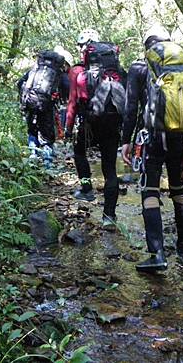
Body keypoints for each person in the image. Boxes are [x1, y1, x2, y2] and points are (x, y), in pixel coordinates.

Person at [122, 25, 183, 272]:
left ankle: (157, 254)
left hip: (151, 139)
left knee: (149, 191)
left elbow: (131, 107)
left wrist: (126, 140)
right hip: (180, 137)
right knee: (179, 189)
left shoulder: (139, 67)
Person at [65, 28, 125, 229]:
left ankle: (87, 189)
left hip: (90, 124)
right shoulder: (116, 73)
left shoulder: (78, 73)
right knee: (109, 168)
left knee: (79, 152)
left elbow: (72, 103)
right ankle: (109, 216)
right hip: (113, 123)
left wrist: (68, 129)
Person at [18, 49, 67, 168]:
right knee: (47, 134)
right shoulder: (58, 73)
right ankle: (47, 164)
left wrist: (23, 98)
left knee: (32, 129)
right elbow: (66, 89)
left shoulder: (35, 70)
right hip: (46, 105)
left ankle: (32, 158)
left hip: (29, 101)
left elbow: (20, 83)